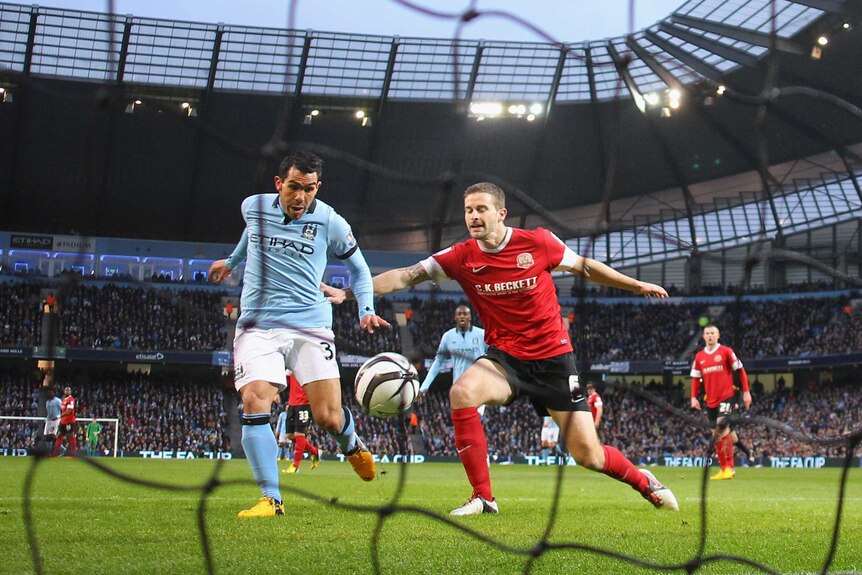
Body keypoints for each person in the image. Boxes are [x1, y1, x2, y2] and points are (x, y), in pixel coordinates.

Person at [324, 181, 678, 516]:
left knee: (589, 456)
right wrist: (353, 293)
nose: (473, 217)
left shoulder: (538, 242)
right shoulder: (461, 255)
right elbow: (405, 275)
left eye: (481, 209)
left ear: (501, 214)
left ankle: (644, 481)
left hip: (554, 361)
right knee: (462, 392)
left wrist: (634, 285)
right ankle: (484, 497)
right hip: (505, 359)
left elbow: (585, 267)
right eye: (467, 210)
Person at [208, 150, 390, 518]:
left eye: (308, 189)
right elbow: (252, 234)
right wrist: (231, 262)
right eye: (293, 187)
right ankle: (271, 499)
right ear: (279, 184)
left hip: (312, 325)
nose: (299, 197)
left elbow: (358, 267)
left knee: (327, 417)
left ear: (317, 188)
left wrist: (366, 309)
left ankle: (352, 444)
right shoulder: (253, 206)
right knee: (256, 400)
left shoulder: (331, 222)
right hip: (258, 326)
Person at [690, 324, 752, 480]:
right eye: (707, 333)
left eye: (712, 333)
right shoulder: (699, 357)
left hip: (727, 396)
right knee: (716, 435)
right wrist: (693, 397)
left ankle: (730, 467)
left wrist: (746, 392)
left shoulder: (726, 351)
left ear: (718, 336)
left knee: (721, 425)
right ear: (703, 336)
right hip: (710, 401)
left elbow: (740, 371)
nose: (710, 335)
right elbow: (696, 379)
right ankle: (724, 468)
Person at [418, 305, 488, 415]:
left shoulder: (482, 334)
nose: (462, 317)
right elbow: (438, 362)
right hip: (459, 388)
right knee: (463, 426)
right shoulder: (448, 336)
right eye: (459, 314)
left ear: (470, 317)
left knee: (474, 420)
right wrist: (425, 386)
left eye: (465, 314)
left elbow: (495, 355)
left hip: (478, 387)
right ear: (455, 317)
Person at [283, 372, 321, 474]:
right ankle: (315, 452)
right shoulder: (292, 363)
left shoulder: (308, 365)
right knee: (290, 435)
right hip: (292, 403)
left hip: (304, 404)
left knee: (299, 434)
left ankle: (295, 466)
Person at [52, 386, 77, 457]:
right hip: (63, 421)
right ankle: (56, 453)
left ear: (70, 392)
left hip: (69, 421)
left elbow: (68, 412)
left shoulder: (71, 399)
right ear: (64, 391)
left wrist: (58, 416)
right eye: (66, 390)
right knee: (59, 436)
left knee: (70, 436)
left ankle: (73, 454)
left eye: (68, 390)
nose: (67, 392)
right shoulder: (64, 400)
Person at [43, 378, 62, 456]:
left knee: (52, 436)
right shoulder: (47, 402)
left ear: (53, 393)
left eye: (50, 392)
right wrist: (46, 420)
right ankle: (49, 453)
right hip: (49, 420)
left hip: (56, 420)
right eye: (48, 393)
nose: (49, 394)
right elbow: (48, 412)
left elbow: (63, 410)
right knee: (46, 436)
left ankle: (57, 451)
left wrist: (58, 417)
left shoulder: (58, 401)